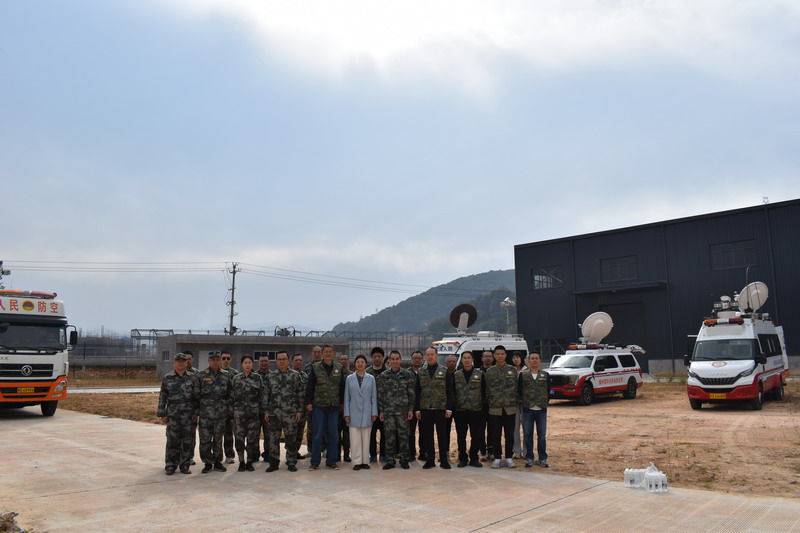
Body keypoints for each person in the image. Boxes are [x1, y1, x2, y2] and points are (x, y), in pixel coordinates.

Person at [156, 352, 198, 475]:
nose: (180, 363)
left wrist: (196, 412)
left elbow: (196, 396)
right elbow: (163, 396)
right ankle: (170, 465)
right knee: (172, 440)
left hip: (188, 414)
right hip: (173, 413)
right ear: (174, 363)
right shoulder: (167, 377)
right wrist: (162, 413)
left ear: (186, 363)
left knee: (187, 440)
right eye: (178, 361)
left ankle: (184, 465)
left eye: (183, 361)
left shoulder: (193, 377)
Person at [304, 345, 345, 470]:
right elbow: (310, 386)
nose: (328, 353)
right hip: (319, 406)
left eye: (330, 352)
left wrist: (342, 403)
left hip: (334, 406)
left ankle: (331, 461)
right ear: (322, 353)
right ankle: (315, 462)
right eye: (326, 352)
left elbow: (342, 387)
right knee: (317, 435)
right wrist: (308, 403)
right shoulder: (315, 367)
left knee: (333, 435)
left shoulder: (339, 367)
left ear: (334, 353)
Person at [264, 351, 305, 472]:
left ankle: (291, 462)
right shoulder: (270, 376)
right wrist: (266, 410)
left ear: (288, 361)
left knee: (291, 438)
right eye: (279, 359)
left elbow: (300, 394)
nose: (282, 361)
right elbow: (266, 394)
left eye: (284, 359)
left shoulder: (295, 375)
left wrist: (299, 410)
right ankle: (273, 463)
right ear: (276, 361)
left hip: (290, 413)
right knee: (273, 439)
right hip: (274, 413)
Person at [415, 347, 454, 470]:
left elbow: (449, 391)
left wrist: (449, 409)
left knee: (442, 435)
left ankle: (443, 460)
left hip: (440, 408)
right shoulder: (421, 371)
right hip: (425, 408)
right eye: (428, 355)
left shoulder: (444, 371)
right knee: (428, 435)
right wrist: (417, 409)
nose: (430, 357)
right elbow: (417, 391)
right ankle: (430, 460)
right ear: (425, 357)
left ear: (437, 355)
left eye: (432, 354)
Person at [376, 350, 415, 470]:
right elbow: (380, 395)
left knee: (404, 436)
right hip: (388, 412)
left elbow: (411, 394)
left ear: (400, 360)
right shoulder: (384, 376)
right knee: (389, 437)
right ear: (389, 361)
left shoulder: (407, 374)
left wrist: (410, 410)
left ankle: (404, 459)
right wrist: (381, 411)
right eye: (392, 359)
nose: (395, 361)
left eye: (397, 359)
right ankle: (390, 460)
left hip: (403, 412)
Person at [197, 351, 233, 473]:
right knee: (205, 439)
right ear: (209, 361)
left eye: (217, 359)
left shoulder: (226, 375)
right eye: (213, 360)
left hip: (220, 414)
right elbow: (196, 395)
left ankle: (217, 462)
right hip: (205, 414)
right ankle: (207, 463)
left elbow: (230, 394)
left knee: (218, 439)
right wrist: (197, 412)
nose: (215, 362)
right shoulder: (202, 375)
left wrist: (229, 412)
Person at [484, 345, 519, 469]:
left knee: (509, 435)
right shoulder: (490, 371)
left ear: (505, 355)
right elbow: (487, 390)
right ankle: (497, 458)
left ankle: (509, 458)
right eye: (497, 354)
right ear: (494, 356)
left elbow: (517, 388)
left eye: (502, 354)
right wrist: (490, 402)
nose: (500, 356)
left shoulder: (513, 370)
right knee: (496, 435)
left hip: (510, 408)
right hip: (495, 409)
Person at [343, 354, 378, 470]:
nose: (360, 364)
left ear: (366, 364)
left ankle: (365, 461)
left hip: (367, 412)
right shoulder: (349, 378)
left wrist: (374, 412)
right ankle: (357, 462)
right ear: (355, 364)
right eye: (358, 362)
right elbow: (347, 398)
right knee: (355, 439)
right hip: (353, 413)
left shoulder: (371, 378)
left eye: (362, 362)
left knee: (366, 438)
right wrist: (346, 413)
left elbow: (373, 397)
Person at [230, 355, 263, 472]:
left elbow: (262, 396)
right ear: (242, 364)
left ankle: (249, 461)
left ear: (252, 364)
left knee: (251, 439)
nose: (247, 365)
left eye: (249, 362)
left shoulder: (257, 378)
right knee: (239, 439)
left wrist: (260, 411)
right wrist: (231, 414)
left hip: (253, 415)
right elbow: (231, 397)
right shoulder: (236, 378)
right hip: (239, 415)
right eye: (245, 363)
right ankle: (241, 461)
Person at [453, 351, 485, 468]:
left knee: (475, 436)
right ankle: (463, 458)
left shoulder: (480, 374)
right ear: (461, 360)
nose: (466, 360)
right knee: (461, 436)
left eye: (468, 358)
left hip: (475, 410)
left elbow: (484, 392)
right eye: (464, 358)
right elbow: (453, 392)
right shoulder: (456, 375)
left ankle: (474, 458)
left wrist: (482, 408)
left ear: (472, 359)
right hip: (460, 410)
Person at [519, 352, 551, 468]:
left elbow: (548, 390)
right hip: (528, 409)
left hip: (541, 409)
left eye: (536, 358)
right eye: (532, 358)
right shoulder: (523, 375)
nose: (534, 360)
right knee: (528, 435)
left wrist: (544, 402)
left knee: (541, 435)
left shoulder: (545, 375)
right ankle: (529, 458)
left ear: (540, 360)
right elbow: (519, 390)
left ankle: (542, 458)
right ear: (528, 361)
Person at [366, 347, 387, 463]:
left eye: (379, 356)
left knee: (385, 433)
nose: (377, 358)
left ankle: (383, 454)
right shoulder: (366, 372)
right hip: (370, 409)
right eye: (375, 356)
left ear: (383, 358)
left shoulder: (388, 372)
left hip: (385, 408)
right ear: (372, 358)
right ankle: (373, 455)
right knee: (371, 433)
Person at [220, 349, 239, 464]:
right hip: (217, 409)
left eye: (228, 358)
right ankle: (216, 456)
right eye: (223, 358)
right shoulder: (216, 372)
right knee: (217, 435)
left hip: (230, 409)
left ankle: (229, 455)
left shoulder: (235, 374)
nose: (226, 360)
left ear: (231, 360)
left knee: (228, 434)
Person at [303, 345, 323, 451]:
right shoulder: (307, 368)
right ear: (312, 354)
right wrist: (307, 402)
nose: (317, 354)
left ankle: (323, 449)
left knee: (324, 427)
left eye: (319, 352)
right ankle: (310, 449)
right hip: (311, 403)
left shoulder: (326, 366)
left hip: (323, 402)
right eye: (315, 352)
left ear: (322, 354)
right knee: (311, 428)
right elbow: (305, 386)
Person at [183, 350, 200, 466]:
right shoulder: (177, 372)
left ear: (192, 360)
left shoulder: (197, 374)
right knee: (178, 436)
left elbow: (198, 395)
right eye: (185, 359)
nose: (187, 361)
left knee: (191, 436)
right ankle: (178, 457)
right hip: (178, 411)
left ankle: (189, 457)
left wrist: (197, 412)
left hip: (191, 411)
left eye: (189, 359)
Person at [406, 350, 424, 462]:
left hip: (423, 407)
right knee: (410, 433)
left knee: (424, 432)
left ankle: (423, 453)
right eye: (414, 358)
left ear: (422, 360)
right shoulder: (406, 373)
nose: (417, 360)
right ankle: (411, 454)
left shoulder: (426, 372)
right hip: (410, 408)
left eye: (419, 358)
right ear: (411, 360)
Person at [291, 353, 309, 459]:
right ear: (292, 362)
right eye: (296, 360)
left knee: (299, 433)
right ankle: (291, 454)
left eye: (300, 360)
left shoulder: (305, 376)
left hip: (302, 410)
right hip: (291, 410)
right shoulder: (289, 375)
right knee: (291, 433)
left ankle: (296, 452)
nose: (298, 362)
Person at [479, 350, 495, 462]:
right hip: (480, 405)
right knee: (480, 430)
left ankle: (491, 451)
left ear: (492, 358)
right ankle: (482, 452)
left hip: (493, 404)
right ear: (482, 358)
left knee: (492, 430)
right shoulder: (477, 372)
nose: (488, 358)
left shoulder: (495, 372)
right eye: (485, 356)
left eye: (489, 356)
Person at [256, 354, 271, 463]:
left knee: (268, 434)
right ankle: (254, 455)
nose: (264, 363)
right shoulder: (254, 376)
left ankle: (268, 454)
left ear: (269, 362)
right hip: (255, 411)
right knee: (254, 434)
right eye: (262, 361)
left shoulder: (273, 376)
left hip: (268, 411)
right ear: (258, 363)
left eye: (266, 361)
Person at [511, 352, 526, 459]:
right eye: (514, 358)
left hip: (525, 402)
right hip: (514, 402)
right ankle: (516, 450)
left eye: (517, 357)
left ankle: (526, 450)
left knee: (526, 427)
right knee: (515, 427)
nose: (516, 359)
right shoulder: (510, 371)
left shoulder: (526, 371)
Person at [337, 353, 352, 462]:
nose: (343, 361)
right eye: (341, 359)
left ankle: (346, 454)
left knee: (347, 434)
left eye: (345, 359)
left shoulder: (351, 375)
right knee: (336, 433)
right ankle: (337, 454)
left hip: (348, 409)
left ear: (348, 361)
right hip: (336, 408)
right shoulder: (335, 374)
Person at [445, 354, 457, 436]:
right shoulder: (442, 375)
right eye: (449, 361)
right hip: (446, 406)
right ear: (445, 363)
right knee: (445, 430)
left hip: (458, 406)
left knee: (461, 430)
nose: (452, 363)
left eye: (453, 361)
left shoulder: (460, 374)